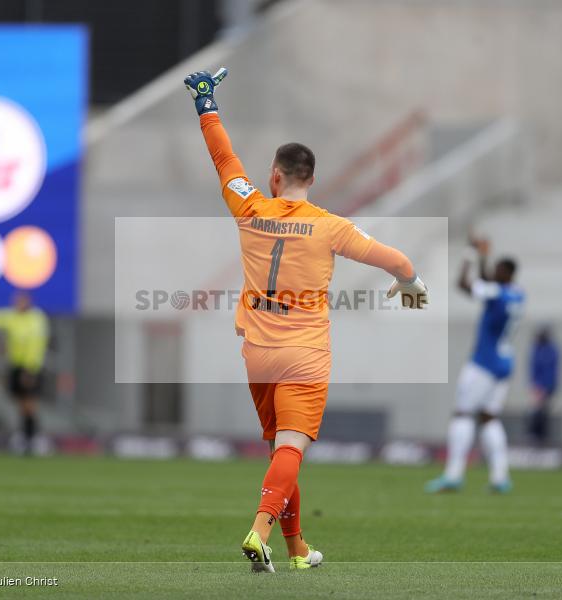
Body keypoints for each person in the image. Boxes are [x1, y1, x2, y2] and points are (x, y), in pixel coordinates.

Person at [183, 68, 428, 572]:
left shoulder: (249, 205)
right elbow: (399, 262)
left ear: (274, 176)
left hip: (257, 352)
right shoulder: (331, 227)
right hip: (305, 355)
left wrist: (206, 104)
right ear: (312, 180)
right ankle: (258, 531)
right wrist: (409, 284)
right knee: (292, 448)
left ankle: (296, 551)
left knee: (280, 452)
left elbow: (224, 159)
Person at [426, 237, 523, 494]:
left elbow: (463, 284)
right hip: (505, 361)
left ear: (506, 273)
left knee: (463, 413)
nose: (495, 272)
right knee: (489, 417)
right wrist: (484, 257)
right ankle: (500, 478)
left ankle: (453, 474)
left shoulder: (497, 293)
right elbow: (489, 280)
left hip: (484, 362)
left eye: (498, 270)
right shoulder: (516, 293)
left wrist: (470, 254)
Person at [0, 291, 49, 455]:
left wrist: (30, 370)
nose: (17, 303)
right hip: (16, 366)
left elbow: (36, 346)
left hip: (30, 368)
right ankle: (25, 437)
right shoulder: (13, 317)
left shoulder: (36, 320)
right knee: (21, 404)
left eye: (21, 301)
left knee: (29, 404)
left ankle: (32, 438)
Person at [528, 325, 560, 445]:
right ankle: (534, 436)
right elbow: (533, 369)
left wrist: (546, 387)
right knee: (536, 410)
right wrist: (535, 385)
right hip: (538, 386)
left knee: (543, 411)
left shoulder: (552, 350)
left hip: (548, 386)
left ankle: (543, 438)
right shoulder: (536, 348)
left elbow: (551, 371)